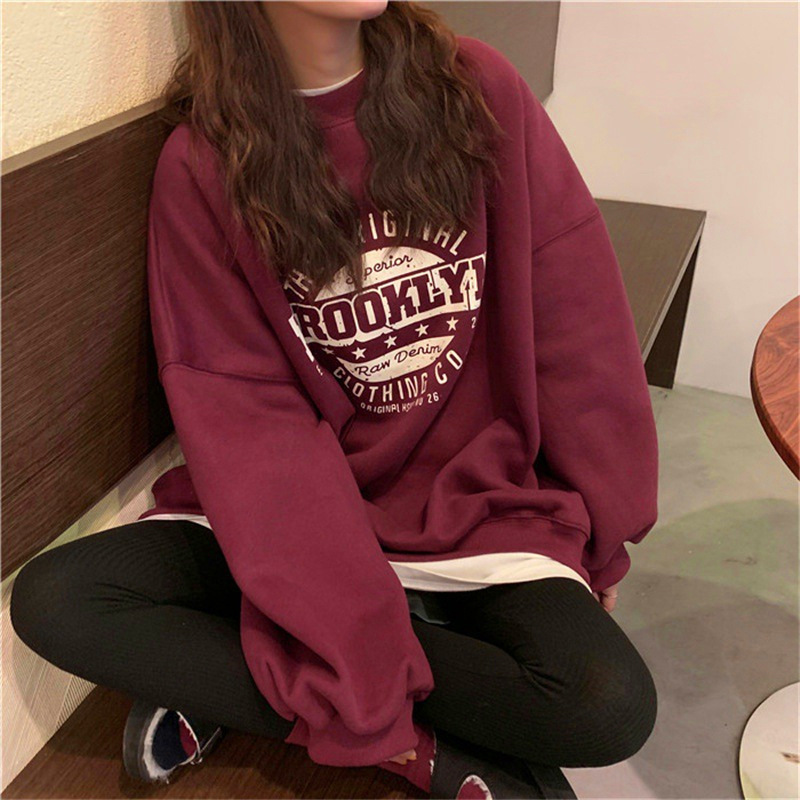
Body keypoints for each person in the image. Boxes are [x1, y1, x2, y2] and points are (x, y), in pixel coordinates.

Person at [9, 2, 659, 797]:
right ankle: (411, 751)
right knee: (60, 599)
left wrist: (606, 526)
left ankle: (250, 673)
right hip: (298, 516)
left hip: (478, 506)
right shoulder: (205, 164)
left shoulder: (477, 88)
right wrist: (350, 640)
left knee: (605, 706)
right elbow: (251, 424)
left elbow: (575, 316)